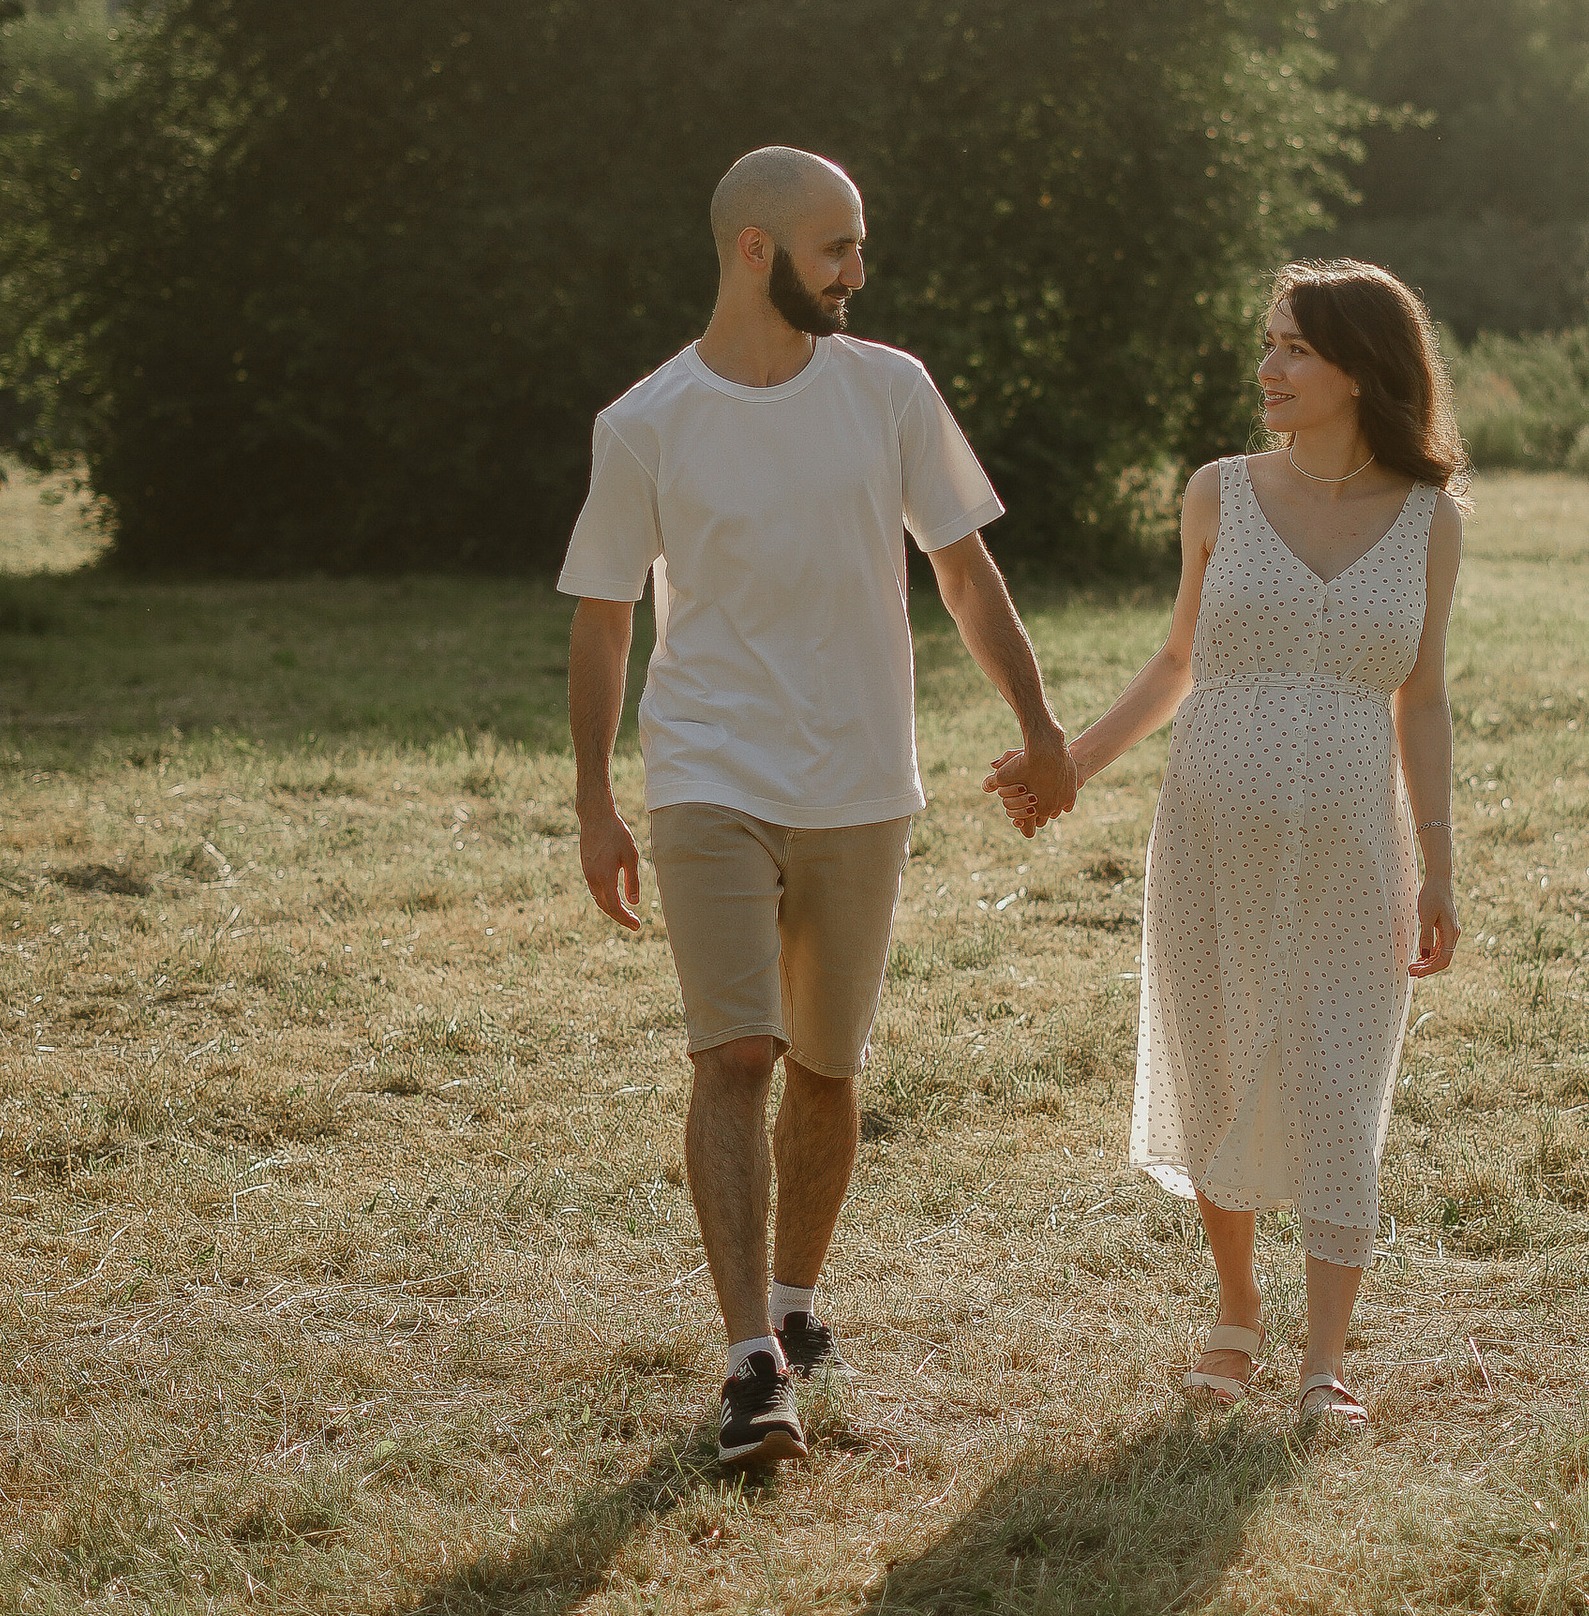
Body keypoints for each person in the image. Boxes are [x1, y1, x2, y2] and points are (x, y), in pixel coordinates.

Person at [562, 147, 1076, 1473]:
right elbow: (606, 620)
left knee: (829, 1069)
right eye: (836, 246)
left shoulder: (888, 390)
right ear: (757, 250)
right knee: (737, 1054)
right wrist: (597, 803)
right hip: (708, 775)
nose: (857, 270)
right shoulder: (647, 422)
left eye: (858, 246)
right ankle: (750, 1364)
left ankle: (794, 1303)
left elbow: (963, 571)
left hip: (859, 779)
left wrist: (1038, 724)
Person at [990, 260, 1463, 1429]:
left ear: (1362, 368)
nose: (1268, 368)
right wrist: (1069, 764)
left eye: (1295, 347)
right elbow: (1176, 662)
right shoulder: (1219, 493)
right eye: (1268, 342)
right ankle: (1237, 1304)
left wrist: (1442, 866)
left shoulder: (1429, 521)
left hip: (1356, 846)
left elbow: (1424, 698)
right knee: (1218, 1056)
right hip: (1207, 833)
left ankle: (1324, 1360)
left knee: (1339, 1076)